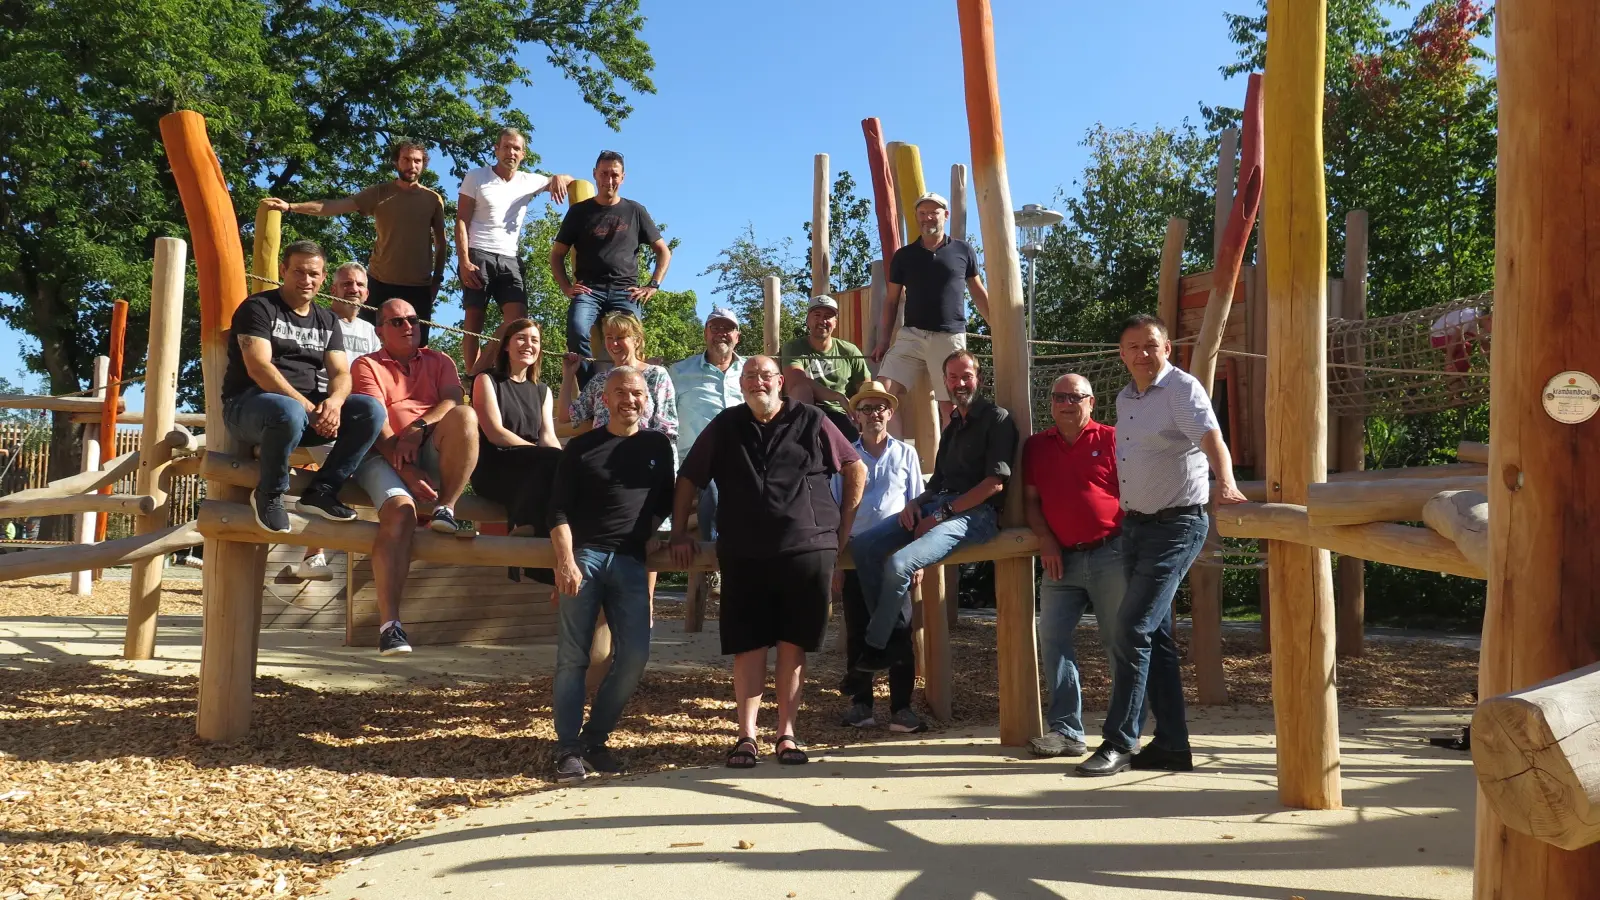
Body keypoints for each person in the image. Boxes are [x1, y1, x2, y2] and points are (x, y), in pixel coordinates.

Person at [669, 356, 865, 768]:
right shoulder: (726, 425)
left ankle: (787, 735)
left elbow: (854, 467)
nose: (758, 381)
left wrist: (842, 528)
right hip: (743, 550)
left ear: (780, 381)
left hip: (806, 547)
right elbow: (689, 476)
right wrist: (679, 532)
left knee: (794, 646)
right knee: (749, 645)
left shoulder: (811, 419)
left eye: (765, 375)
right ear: (741, 384)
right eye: (750, 376)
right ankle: (746, 736)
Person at [1077, 314, 1248, 777]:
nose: (1142, 354)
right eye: (1133, 346)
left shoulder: (1182, 389)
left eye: (1150, 345)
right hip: (1135, 528)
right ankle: (1172, 744)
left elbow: (1212, 438)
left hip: (1177, 526)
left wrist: (1225, 482)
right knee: (1154, 635)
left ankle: (1119, 740)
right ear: (1122, 354)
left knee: (1130, 627)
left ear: (1167, 348)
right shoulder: (1125, 398)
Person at [548, 366, 677, 783]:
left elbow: (667, 499)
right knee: (573, 657)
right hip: (585, 558)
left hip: (630, 563)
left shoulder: (658, 446)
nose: (630, 399)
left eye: (637, 393)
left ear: (647, 399)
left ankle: (595, 739)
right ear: (605, 399)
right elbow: (558, 509)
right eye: (620, 392)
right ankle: (567, 748)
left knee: (635, 655)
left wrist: (651, 533)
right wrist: (566, 561)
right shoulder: (582, 447)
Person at [849, 350, 1016, 672]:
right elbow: (937, 482)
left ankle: (875, 645)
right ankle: (890, 634)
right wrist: (915, 503)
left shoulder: (997, 418)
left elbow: (993, 485)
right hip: (938, 504)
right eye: (952, 377)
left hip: (976, 515)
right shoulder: (953, 424)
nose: (959, 383)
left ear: (978, 379)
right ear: (946, 382)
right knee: (864, 546)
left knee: (899, 563)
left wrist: (940, 515)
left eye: (966, 376)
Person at [344, 299, 480, 655]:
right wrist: (405, 468)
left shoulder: (440, 360)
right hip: (381, 454)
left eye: (413, 319)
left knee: (466, 416)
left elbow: (453, 399)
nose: (408, 326)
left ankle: (445, 508)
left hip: (429, 445)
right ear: (380, 331)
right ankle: (390, 626)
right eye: (397, 321)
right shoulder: (366, 364)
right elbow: (375, 424)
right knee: (400, 513)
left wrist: (419, 428)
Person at [221, 240, 384, 534]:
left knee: (369, 409)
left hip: (302, 415)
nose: (306, 280)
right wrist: (309, 408)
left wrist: (333, 403)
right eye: (299, 272)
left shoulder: (327, 319)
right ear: (284, 270)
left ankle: (323, 490)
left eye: (313, 274)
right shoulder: (258, 308)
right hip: (248, 407)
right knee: (289, 410)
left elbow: (341, 372)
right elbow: (259, 367)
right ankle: (270, 494)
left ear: (323, 278)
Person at [1022, 373, 1125, 759]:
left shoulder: (1113, 438)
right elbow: (1031, 502)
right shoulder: (1036, 446)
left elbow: (1131, 496)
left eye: (1075, 397)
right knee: (1052, 639)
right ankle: (1066, 732)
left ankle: (1121, 734)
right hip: (1059, 559)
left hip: (1110, 553)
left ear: (1091, 402)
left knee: (1119, 643)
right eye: (1058, 396)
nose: (1066, 403)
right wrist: (1046, 540)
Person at [263, 141, 449, 343]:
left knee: (416, 347)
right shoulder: (379, 193)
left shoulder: (433, 199)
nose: (411, 165)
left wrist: (437, 279)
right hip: (380, 282)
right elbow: (333, 206)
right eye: (406, 159)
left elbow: (441, 242)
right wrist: (291, 206)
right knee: (371, 344)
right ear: (396, 162)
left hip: (418, 285)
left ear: (423, 165)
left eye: (417, 161)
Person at [833, 380, 926, 735]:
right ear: (856, 415)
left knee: (901, 629)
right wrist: (836, 565)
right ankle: (862, 705)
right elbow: (838, 508)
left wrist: (918, 558)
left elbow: (917, 505)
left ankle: (902, 708)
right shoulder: (844, 455)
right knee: (858, 628)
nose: (874, 414)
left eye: (880, 407)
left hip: (895, 555)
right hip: (855, 554)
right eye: (867, 408)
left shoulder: (906, 455)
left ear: (890, 412)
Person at [549, 150, 672, 389]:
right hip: (589, 290)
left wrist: (653, 284)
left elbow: (663, 251)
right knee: (576, 330)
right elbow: (556, 254)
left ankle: (629, 386)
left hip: (625, 290)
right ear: (595, 175)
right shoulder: (579, 212)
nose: (609, 179)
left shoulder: (635, 210)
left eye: (614, 174)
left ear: (623, 177)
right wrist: (565, 287)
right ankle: (590, 389)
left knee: (630, 339)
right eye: (604, 173)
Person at [456, 127, 574, 372]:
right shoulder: (476, 177)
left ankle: (481, 369)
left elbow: (567, 181)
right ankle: (470, 375)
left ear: (523, 154)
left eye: (516, 148)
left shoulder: (529, 181)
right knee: (474, 321)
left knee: (517, 322)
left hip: (510, 258)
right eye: (506, 146)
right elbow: (461, 221)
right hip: (478, 253)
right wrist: (464, 261)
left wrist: (561, 177)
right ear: (496, 149)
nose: (511, 152)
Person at [871, 192, 991, 428]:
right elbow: (892, 301)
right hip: (911, 335)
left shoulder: (962, 250)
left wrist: (997, 327)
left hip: (948, 336)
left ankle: (949, 463)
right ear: (916, 217)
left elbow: (977, 291)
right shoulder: (904, 256)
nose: (927, 218)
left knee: (950, 407)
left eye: (933, 213)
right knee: (881, 395)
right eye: (922, 213)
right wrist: (883, 341)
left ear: (945, 216)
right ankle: (890, 459)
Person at [299, 261, 383, 581]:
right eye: (346, 284)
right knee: (344, 471)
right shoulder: (319, 321)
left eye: (359, 285)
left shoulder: (372, 332)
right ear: (332, 289)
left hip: (362, 416)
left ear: (367, 292)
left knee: (352, 470)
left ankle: (315, 552)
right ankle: (314, 551)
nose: (353, 289)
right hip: (323, 413)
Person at [470, 317, 562, 541]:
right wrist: (541, 453)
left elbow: (548, 436)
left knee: (570, 468)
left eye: (534, 340)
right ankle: (523, 526)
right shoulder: (486, 380)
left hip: (535, 465)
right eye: (521, 338)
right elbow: (495, 433)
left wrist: (565, 459)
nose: (528, 345)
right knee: (550, 463)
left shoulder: (543, 391)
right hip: (496, 465)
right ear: (506, 345)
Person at [666, 306, 744, 546]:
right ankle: (714, 560)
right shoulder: (678, 372)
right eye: (715, 327)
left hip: (744, 458)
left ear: (737, 337)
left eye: (728, 328)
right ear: (705, 334)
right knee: (711, 485)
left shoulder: (752, 371)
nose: (721, 333)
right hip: (696, 462)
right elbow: (664, 418)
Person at [559, 311, 676, 440]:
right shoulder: (600, 380)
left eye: (621, 337)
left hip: (642, 456)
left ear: (636, 341)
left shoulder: (655, 375)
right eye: (609, 337)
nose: (614, 343)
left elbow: (667, 429)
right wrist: (568, 374)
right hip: (603, 456)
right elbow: (566, 416)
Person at [781, 295, 871, 442]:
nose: (822, 321)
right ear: (807, 320)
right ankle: (804, 444)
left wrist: (861, 413)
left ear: (835, 323)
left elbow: (865, 387)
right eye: (817, 315)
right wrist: (837, 396)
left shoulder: (849, 350)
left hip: (840, 413)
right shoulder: (793, 347)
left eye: (828, 316)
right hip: (804, 410)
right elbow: (797, 380)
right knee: (801, 389)